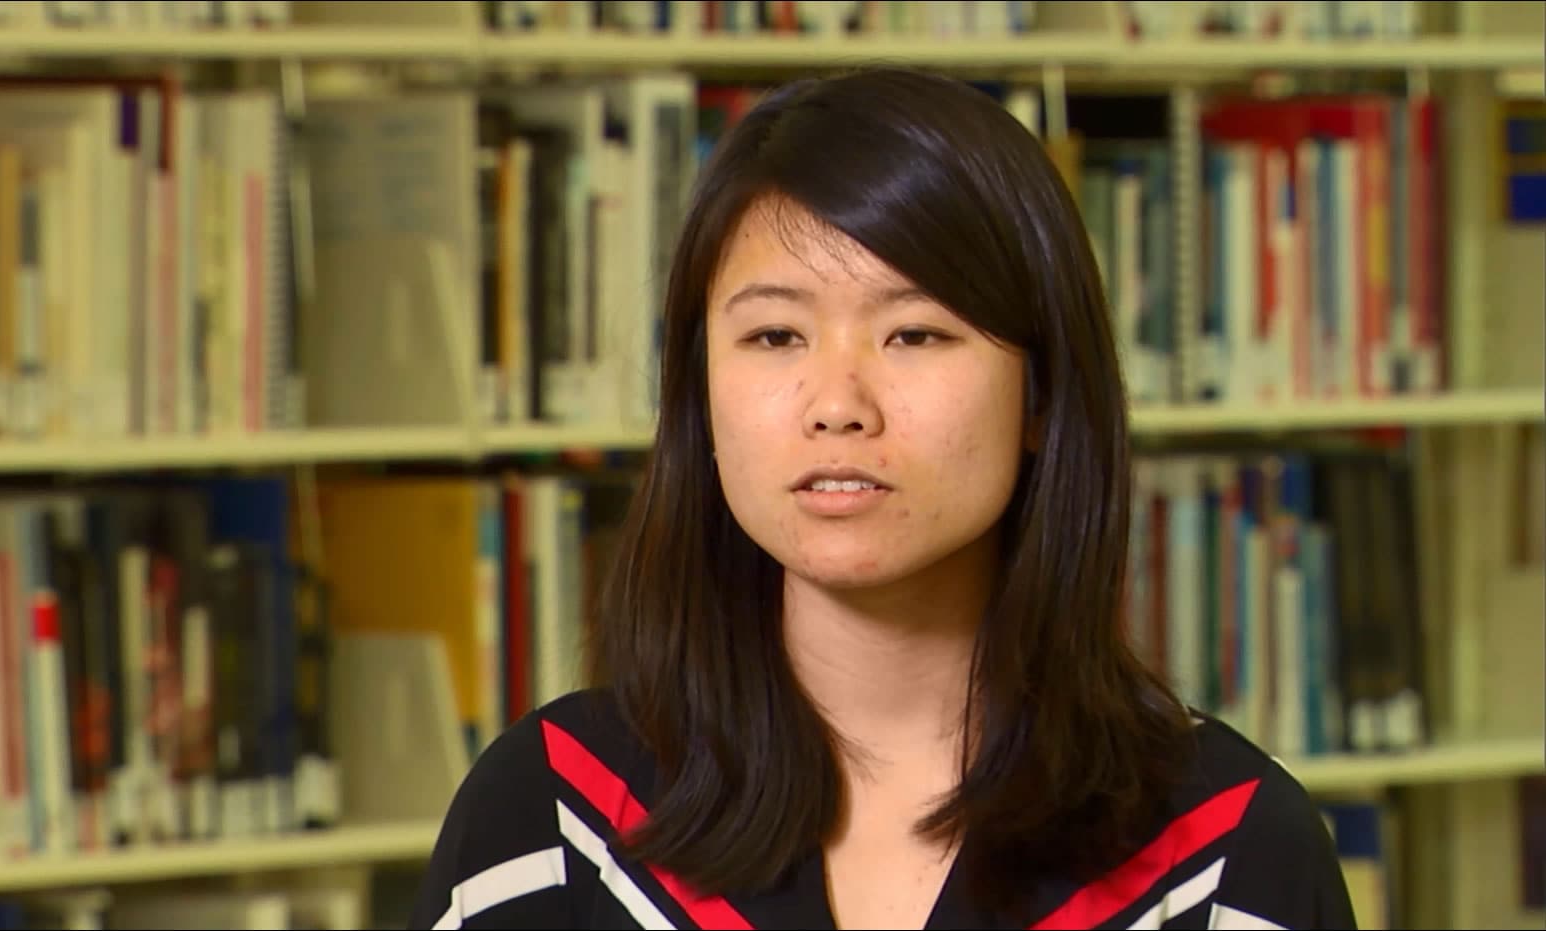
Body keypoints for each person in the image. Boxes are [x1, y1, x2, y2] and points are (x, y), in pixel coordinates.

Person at [408, 67, 1357, 931]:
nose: (837, 406)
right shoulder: (547, 822)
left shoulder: (1230, 854)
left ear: (1044, 394)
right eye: (776, 336)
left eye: (915, 335)